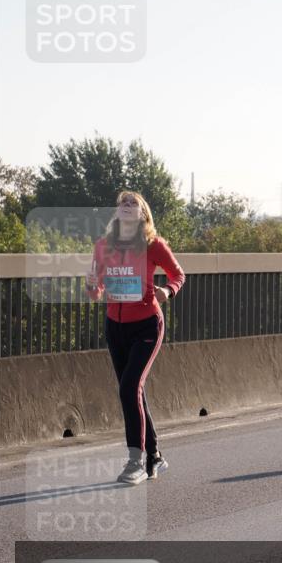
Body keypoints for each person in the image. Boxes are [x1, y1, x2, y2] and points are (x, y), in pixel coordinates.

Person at [86, 191, 186, 484]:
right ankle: (154, 455)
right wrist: (92, 286)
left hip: (146, 325)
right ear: (116, 213)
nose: (127, 207)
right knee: (134, 391)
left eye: (134, 204)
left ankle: (135, 462)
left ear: (143, 214)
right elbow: (97, 291)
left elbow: (178, 274)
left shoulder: (154, 245)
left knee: (129, 388)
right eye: (122, 203)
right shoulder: (103, 247)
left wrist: (167, 290)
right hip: (115, 327)